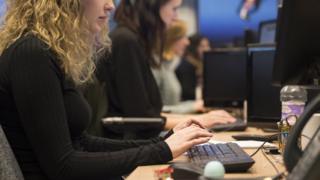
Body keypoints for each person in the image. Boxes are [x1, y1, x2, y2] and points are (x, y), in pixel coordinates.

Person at [0, 0, 213, 179]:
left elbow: (80, 142)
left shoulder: (48, 53)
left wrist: (162, 142)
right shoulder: (32, 54)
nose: (111, 6)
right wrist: (161, 151)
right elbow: (63, 166)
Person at [97, 0, 235, 139]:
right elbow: (142, 118)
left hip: (138, 145)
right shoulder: (126, 41)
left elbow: (150, 115)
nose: (176, 17)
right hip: (131, 148)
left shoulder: (132, 40)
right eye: (174, 9)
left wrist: (197, 119)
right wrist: (199, 120)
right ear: (152, 8)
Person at [152, 20, 205, 114]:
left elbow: (174, 106)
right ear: (170, 39)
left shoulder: (167, 67)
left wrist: (197, 104)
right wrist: (192, 107)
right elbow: (156, 112)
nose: (187, 42)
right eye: (182, 37)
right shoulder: (156, 67)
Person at [176, 34, 211, 101]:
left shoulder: (200, 65)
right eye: (202, 46)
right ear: (193, 47)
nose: (207, 49)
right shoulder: (186, 65)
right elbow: (187, 92)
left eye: (208, 45)